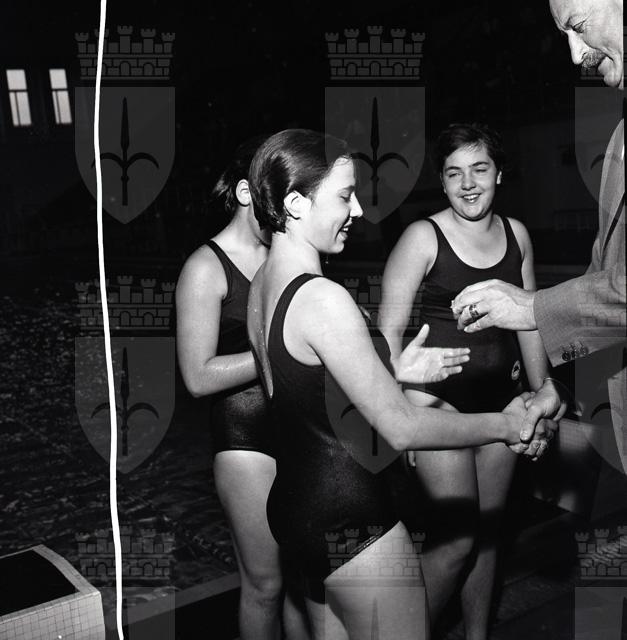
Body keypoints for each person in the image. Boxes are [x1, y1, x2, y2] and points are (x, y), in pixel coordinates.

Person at [246, 128, 548, 640]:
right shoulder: (322, 297)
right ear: (295, 204)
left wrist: (393, 371)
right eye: (345, 196)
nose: (358, 210)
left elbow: (305, 388)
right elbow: (401, 427)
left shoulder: (261, 283)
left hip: (295, 505)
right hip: (350, 513)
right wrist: (507, 424)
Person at [378, 122, 561, 639]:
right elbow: (386, 335)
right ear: (441, 181)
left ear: (499, 174)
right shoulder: (423, 237)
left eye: (479, 169)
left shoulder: (516, 235)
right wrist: (402, 413)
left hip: (502, 403)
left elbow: (530, 320)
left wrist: (539, 393)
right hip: (438, 404)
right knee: (456, 541)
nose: (468, 183)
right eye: (454, 173)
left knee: (488, 534)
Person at [452, 0, 625, 470]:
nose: (575, 54)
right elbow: (602, 278)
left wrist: (530, 307)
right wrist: (561, 386)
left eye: (579, 26)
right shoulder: (619, 138)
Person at [176, 138, 309, 640]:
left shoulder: (287, 255)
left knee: (303, 578)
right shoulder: (205, 267)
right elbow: (197, 376)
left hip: (300, 431)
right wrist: (278, 349)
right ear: (245, 193)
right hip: (245, 438)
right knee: (265, 585)